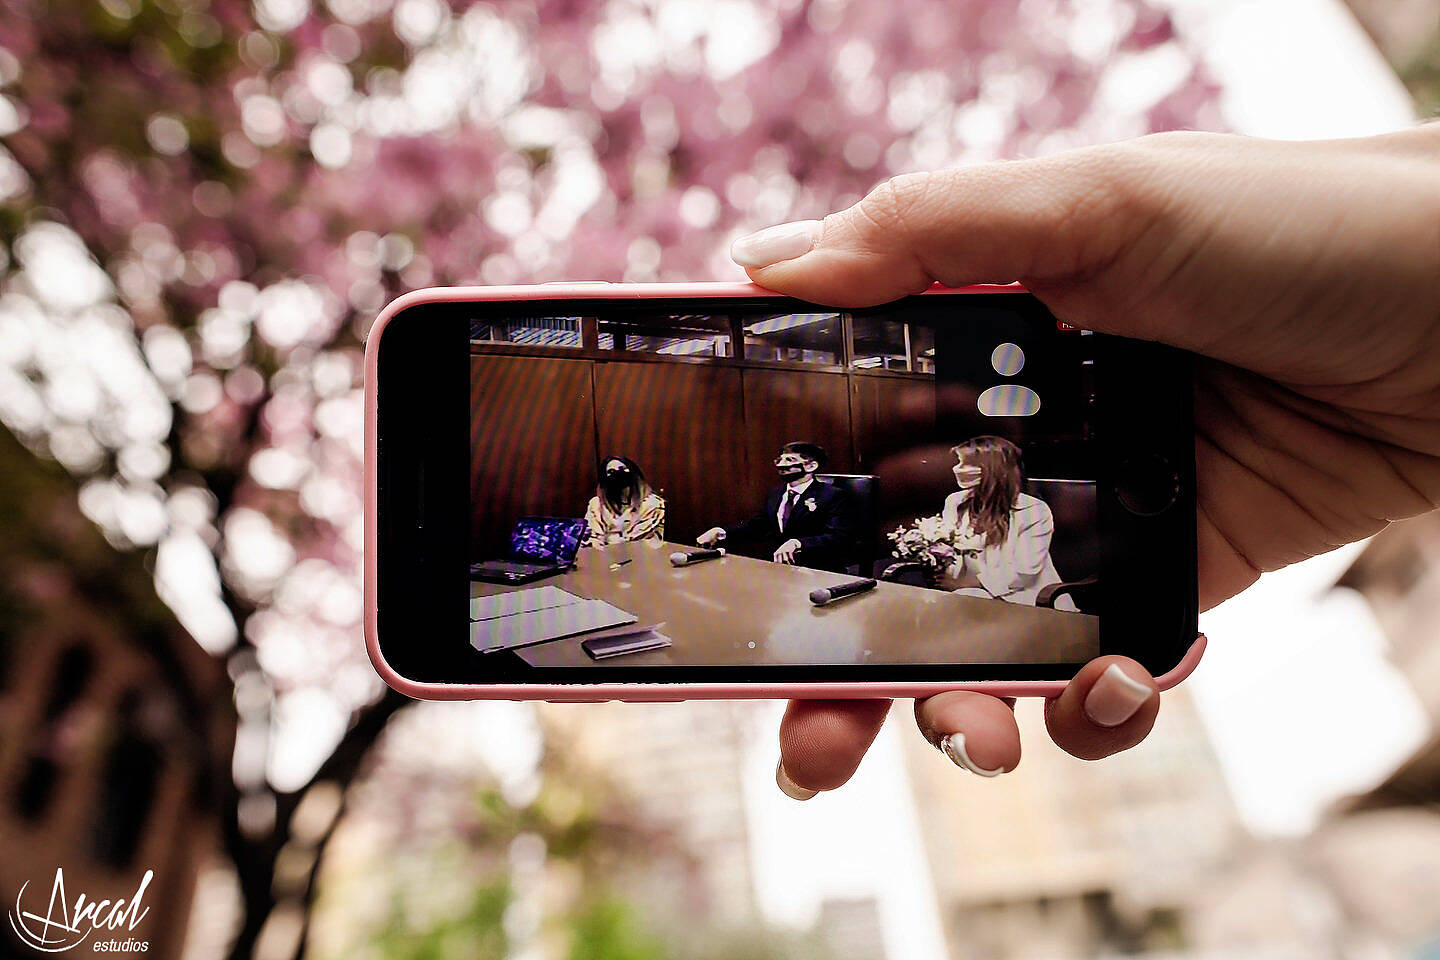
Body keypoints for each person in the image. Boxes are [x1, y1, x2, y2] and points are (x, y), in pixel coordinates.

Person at [725, 125, 1440, 797]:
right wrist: (931, 549)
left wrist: (945, 552)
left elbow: (1004, 577)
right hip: (974, 621)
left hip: (1016, 618)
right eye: (960, 469)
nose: (958, 476)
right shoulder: (948, 505)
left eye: (970, 469)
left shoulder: (1030, 511)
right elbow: (953, 569)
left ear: (997, 473)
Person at [931, 436, 1078, 612]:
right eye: (959, 462)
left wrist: (972, 583)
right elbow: (949, 551)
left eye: (966, 464)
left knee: (965, 603)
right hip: (964, 592)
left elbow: (1025, 571)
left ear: (992, 469)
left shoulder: (1034, 510)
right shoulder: (955, 501)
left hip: (1024, 596)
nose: (957, 469)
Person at [696, 441, 858, 573]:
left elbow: (840, 537)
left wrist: (799, 543)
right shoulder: (776, 493)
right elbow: (758, 526)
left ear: (811, 466)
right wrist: (721, 532)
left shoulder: (833, 495)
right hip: (777, 568)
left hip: (818, 570)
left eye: (789, 461)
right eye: (779, 460)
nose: (782, 465)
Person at [584, 456, 665, 547]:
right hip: (605, 556)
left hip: (642, 555)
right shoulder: (596, 504)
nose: (618, 474)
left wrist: (611, 539)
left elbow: (639, 538)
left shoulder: (652, 503)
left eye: (622, 469)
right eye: (611, 472)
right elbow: (593, 537)